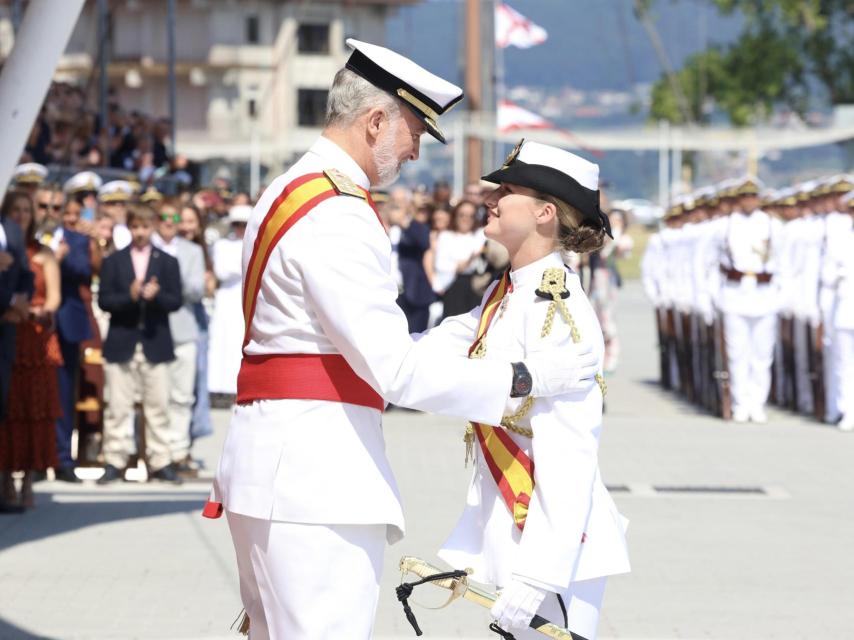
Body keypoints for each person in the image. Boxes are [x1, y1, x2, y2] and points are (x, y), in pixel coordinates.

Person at [205, 39, 599, 639]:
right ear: (375, 120)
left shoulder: (291, 190)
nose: (415, 152)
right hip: (316, 480)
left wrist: (469, 328)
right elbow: (396, 369)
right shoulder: (338, 211)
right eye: (415, 131)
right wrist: (523, 378)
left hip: (280, 468)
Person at [433, 140, 630, 640]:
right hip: (515, 522)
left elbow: (569, 447)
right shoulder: (508, 292)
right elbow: (424, 358)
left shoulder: (555, 307)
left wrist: (542, 569)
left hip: (555, 541)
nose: (491, 198)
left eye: (508, 189)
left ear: (545, 213)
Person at [96, 204, 183, 484]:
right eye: (135, 227)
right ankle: (115, 459)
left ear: (153, 227)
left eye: (145, 227)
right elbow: (105, 301)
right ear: (130, 228)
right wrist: (130, 296)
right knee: (118, 407)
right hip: (122, 341)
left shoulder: (167, 261)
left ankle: (160, 460)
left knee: (158, 406)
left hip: (155, 342)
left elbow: (175, 301)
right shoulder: (114, 260)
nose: (140, 232)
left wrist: (156, 295)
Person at [0, 191, 62, 508]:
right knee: (9, 411)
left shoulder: (44, 253)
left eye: (27, 209)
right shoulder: (5, 246)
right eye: (16, 209)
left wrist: (35, 310)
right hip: (8, 330)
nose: (22, 215)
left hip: (35, 339)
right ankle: (5, 480)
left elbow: (54, 297)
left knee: (33, 412)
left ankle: (26, 482)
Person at [153, 199, 206, 475]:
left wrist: (169, 281)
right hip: (154, 330)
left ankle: (178, 450)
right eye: (164, 217)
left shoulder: (192, 250)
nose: (169, 224)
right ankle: (157, 451)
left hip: (184, 329)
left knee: (182, 396)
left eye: (174, 219)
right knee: (156, 397)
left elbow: (197, 289)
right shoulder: (147, 248)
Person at [178, 203, 214, 443]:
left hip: (198, 318)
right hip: (180, 316)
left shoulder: (203, 251)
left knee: (196, 380)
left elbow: (210, 287)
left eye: (191, 221)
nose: (186, 227)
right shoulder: (174, 249)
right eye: (183, 221)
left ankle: (191, 437)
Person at [207, 204, 249, 400]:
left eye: (244, 224)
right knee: (220, 341)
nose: (240, 229)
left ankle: (236, 387)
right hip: (226, 298)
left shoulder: (254, 242)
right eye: (237, 224)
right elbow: (222, 271)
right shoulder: (222, 245)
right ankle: (217, 387)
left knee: (238, 342)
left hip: (243, 296)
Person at [433, 199, 487, 318]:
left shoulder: (481, 234)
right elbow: (440, 264)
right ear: (455, 216)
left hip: (477, 286)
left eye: (471, 216)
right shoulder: (446, 236)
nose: (466, 219)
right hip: (454, 286)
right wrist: (460, 265)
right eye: (462, 215)